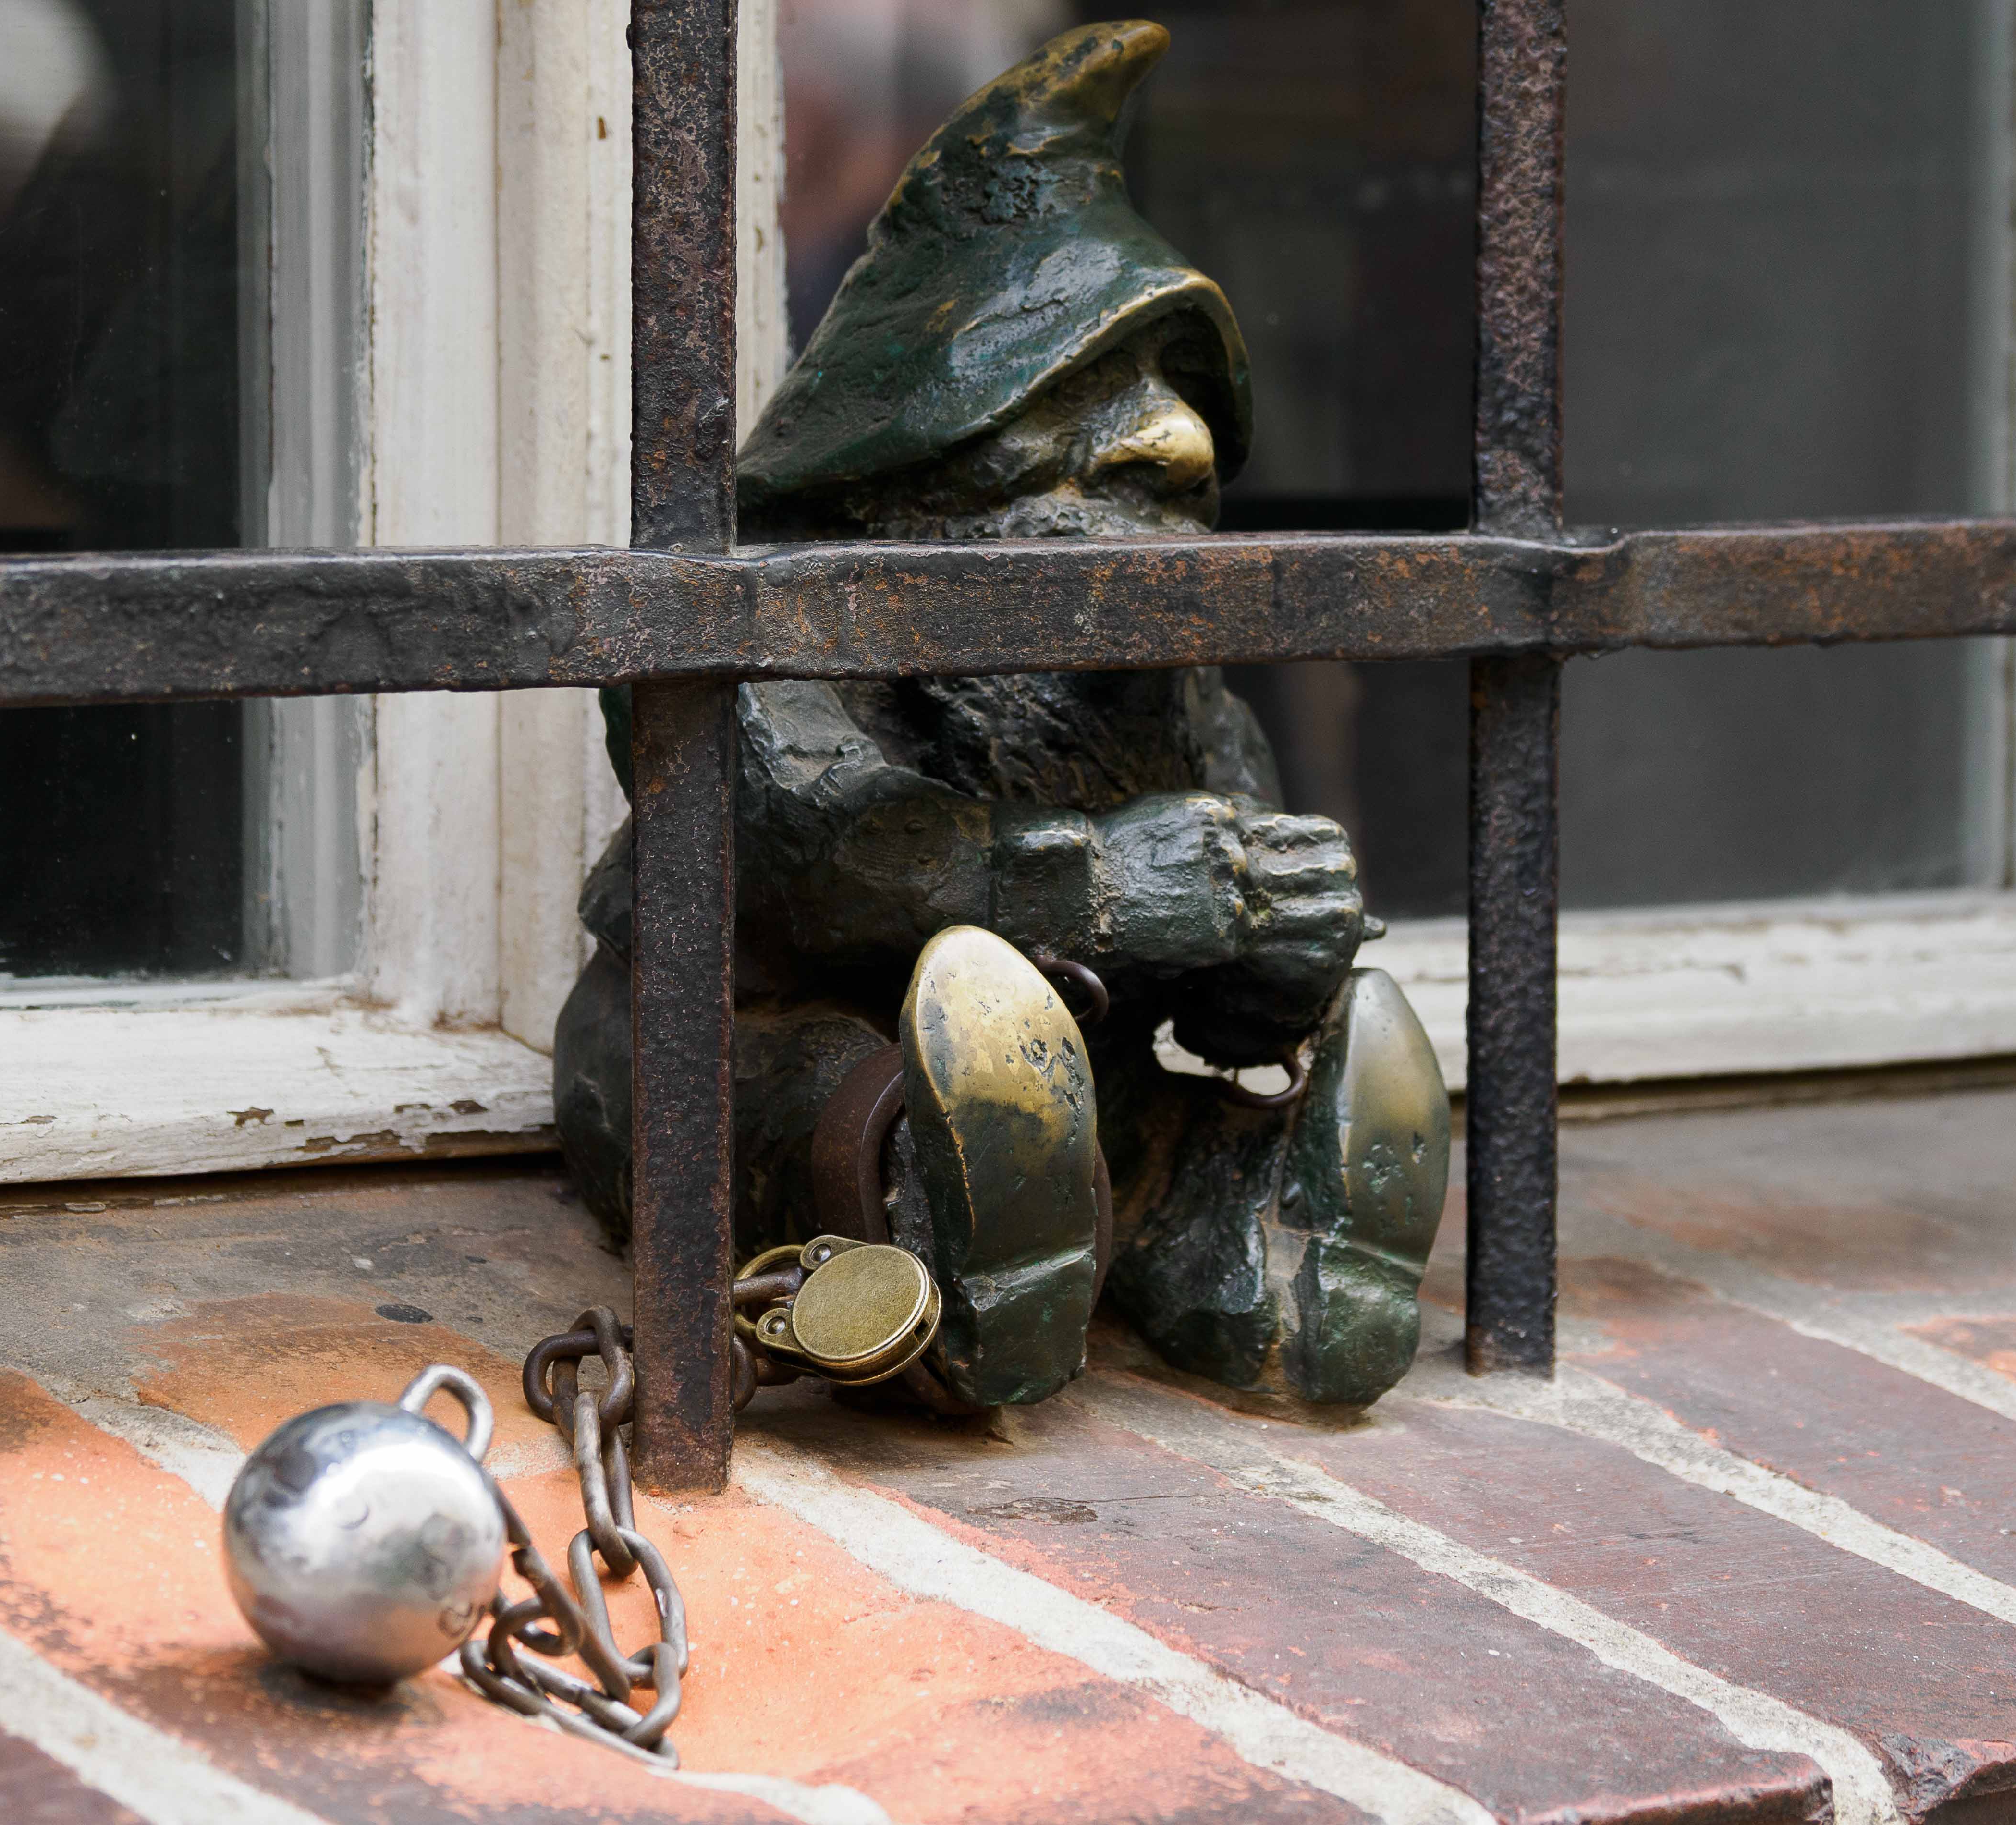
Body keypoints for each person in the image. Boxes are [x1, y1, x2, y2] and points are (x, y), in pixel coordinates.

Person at [557, 19, 1451, 1411]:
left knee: (1142, 1120)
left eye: (1183, 401)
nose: (1178, 442)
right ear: (927, 427)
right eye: (1088, 392)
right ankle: (950, 1265)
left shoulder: (1178, 698)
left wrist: (1266, 964)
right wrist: (1107, 885)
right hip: (792, 1054)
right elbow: (832, 858)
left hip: (1078, 1082)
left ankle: (1244, 1248)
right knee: (827, 1097)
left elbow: (1212, 941)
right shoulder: (773, 634)